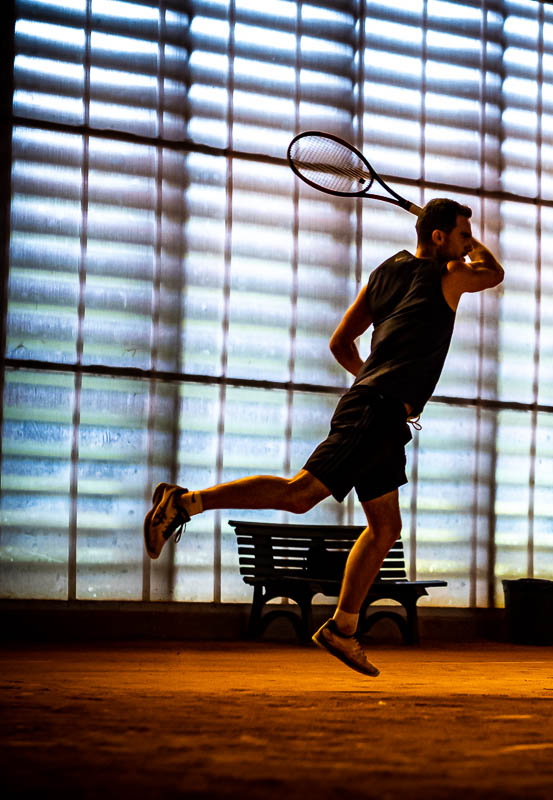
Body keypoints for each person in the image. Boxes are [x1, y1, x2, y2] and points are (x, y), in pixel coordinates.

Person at [142, 198, 504, 677]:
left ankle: (342, 629)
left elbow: (340, 343)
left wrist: (375, 376)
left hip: (379, 409)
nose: (467, 243)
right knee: (300, 495)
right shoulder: (449, 274)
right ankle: (185, 502)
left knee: (385, 529)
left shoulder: (383, 274)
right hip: (375, 410)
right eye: (462, 234)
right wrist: (472, 249)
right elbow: (493, 272)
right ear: (439, 237)